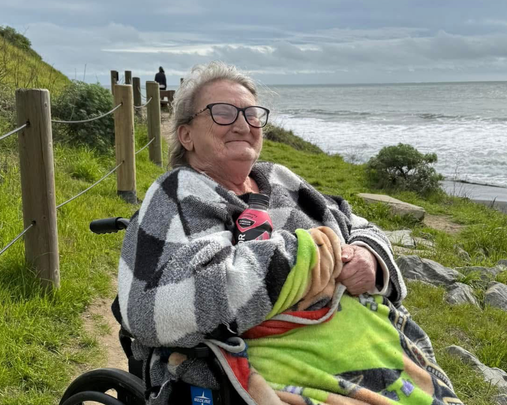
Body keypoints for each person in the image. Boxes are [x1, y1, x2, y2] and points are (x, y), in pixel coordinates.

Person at [117, 61, 462, 405]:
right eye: (223, 112)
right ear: (186, 135)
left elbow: (353, 223)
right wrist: (307, 256)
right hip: (262, 375)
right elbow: (150, 308)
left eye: (252, 114)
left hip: (362, 347)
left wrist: (368, 257)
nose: (243, 124)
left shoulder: (279, 178)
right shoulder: (177, 193)